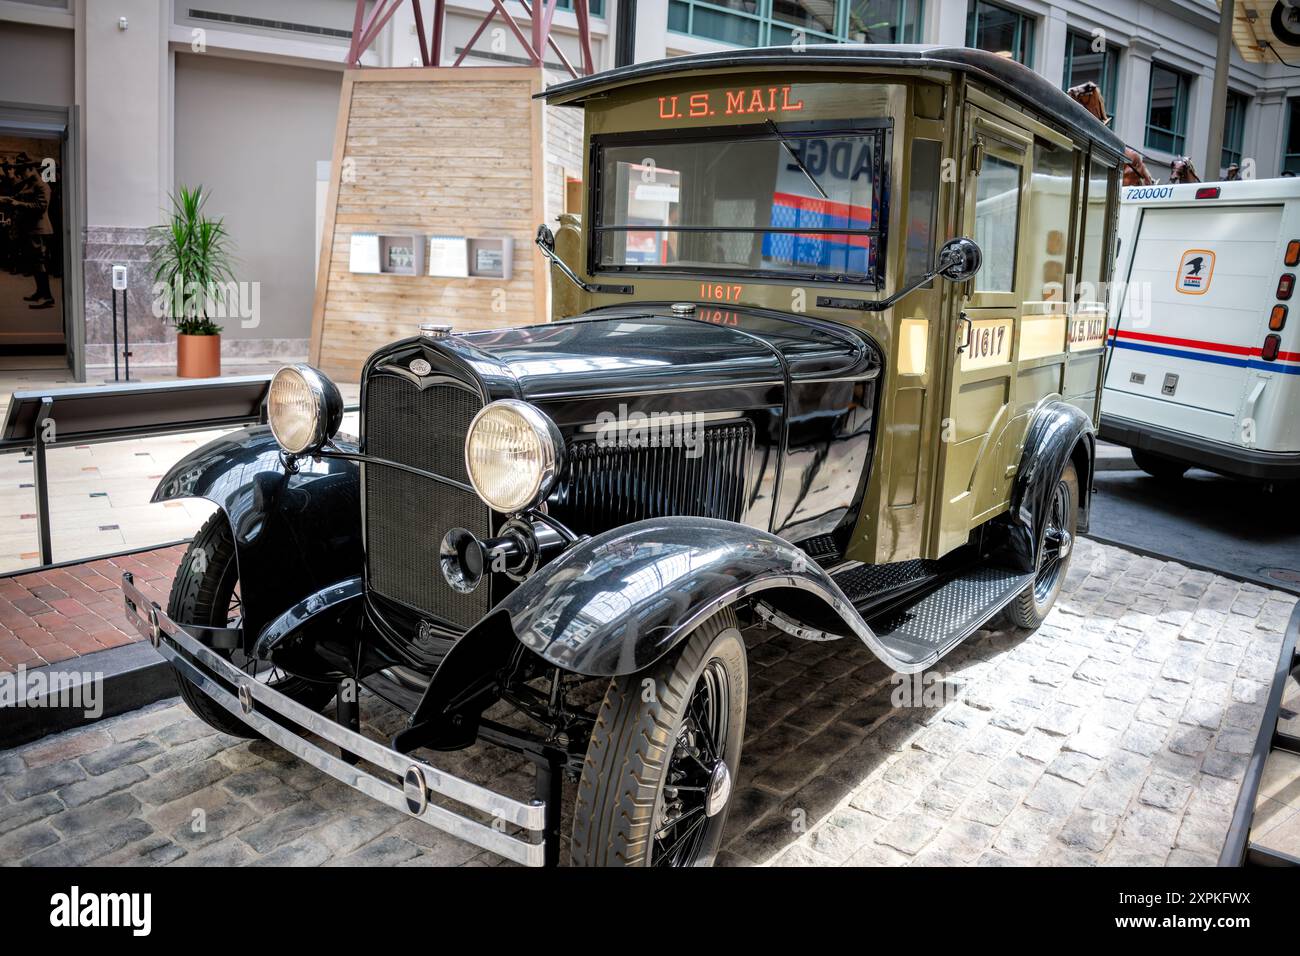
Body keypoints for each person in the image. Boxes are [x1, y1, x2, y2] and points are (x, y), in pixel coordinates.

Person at [6, 153, 55, 309]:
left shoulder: (42, 186)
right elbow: (18, 197)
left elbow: (40, 207)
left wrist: (17, 204)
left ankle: (48, 297)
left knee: (40, 264)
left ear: (32, 169)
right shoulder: (30, 184)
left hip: (40, 230)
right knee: (35, 264)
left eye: (23, 170)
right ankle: (40, 292)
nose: (21, 174)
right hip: (32, 230)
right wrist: (8, 200)